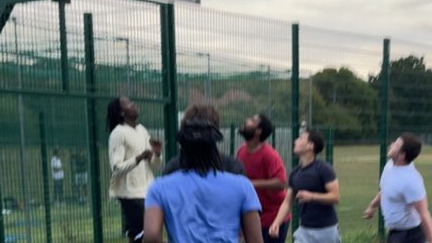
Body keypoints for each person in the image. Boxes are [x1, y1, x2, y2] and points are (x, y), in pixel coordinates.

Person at [144, 104, 263, 243]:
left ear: (183, 141)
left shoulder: (159, 187)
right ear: (215, 138)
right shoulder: (243, 186)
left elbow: (151, 236)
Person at [363, 133, 432, 243]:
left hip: (410, 235)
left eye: (396, 144)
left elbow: (424, 213)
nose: (392, 144)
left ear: (402, 155)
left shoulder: (411, 180)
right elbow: (385, 191)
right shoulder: (389, 166)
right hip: (395, 232)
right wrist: (372, 206)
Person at [107, 97, 163, 243]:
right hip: (130, 195)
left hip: (148, 191)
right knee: (143, 235)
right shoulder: (118, 133)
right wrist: (138, 158)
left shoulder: (142, 130)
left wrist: (156, 153)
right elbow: (116, 167)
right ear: (121, 113)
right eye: (129, 104)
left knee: (144, 234)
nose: (134, 105)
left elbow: (154, 165)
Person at [269, 129, 340, 243]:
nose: (296, 141)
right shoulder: (295, 173)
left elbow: (335, 197)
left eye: (301, 138)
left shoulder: (324, 169)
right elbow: (287, 202)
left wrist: (312, 196)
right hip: (304, 230)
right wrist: (276, 222)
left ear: (310, 146)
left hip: (326, 230)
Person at [237, 114, 290, 243]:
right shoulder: (241, 151)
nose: (246, 121)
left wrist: (250, 184)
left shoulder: (269, 155)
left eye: (252, 120)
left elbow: (281, 182)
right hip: (253, 215)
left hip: (273, 217)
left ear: (258, 131)